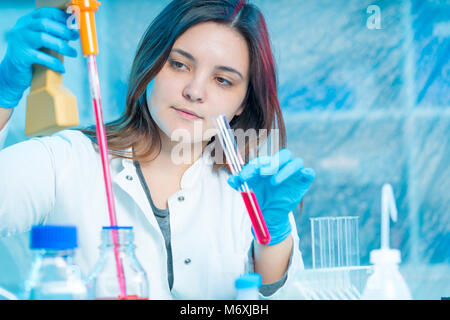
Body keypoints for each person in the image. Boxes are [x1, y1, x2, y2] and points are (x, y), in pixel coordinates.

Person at [0, 0, 315, 299]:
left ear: (243, 102)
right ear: (151, 61)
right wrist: (4, 90)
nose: (194, 91)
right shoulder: (65, 161)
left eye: (222, 80)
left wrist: (271, 236)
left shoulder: (253, 189)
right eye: (179, 64)